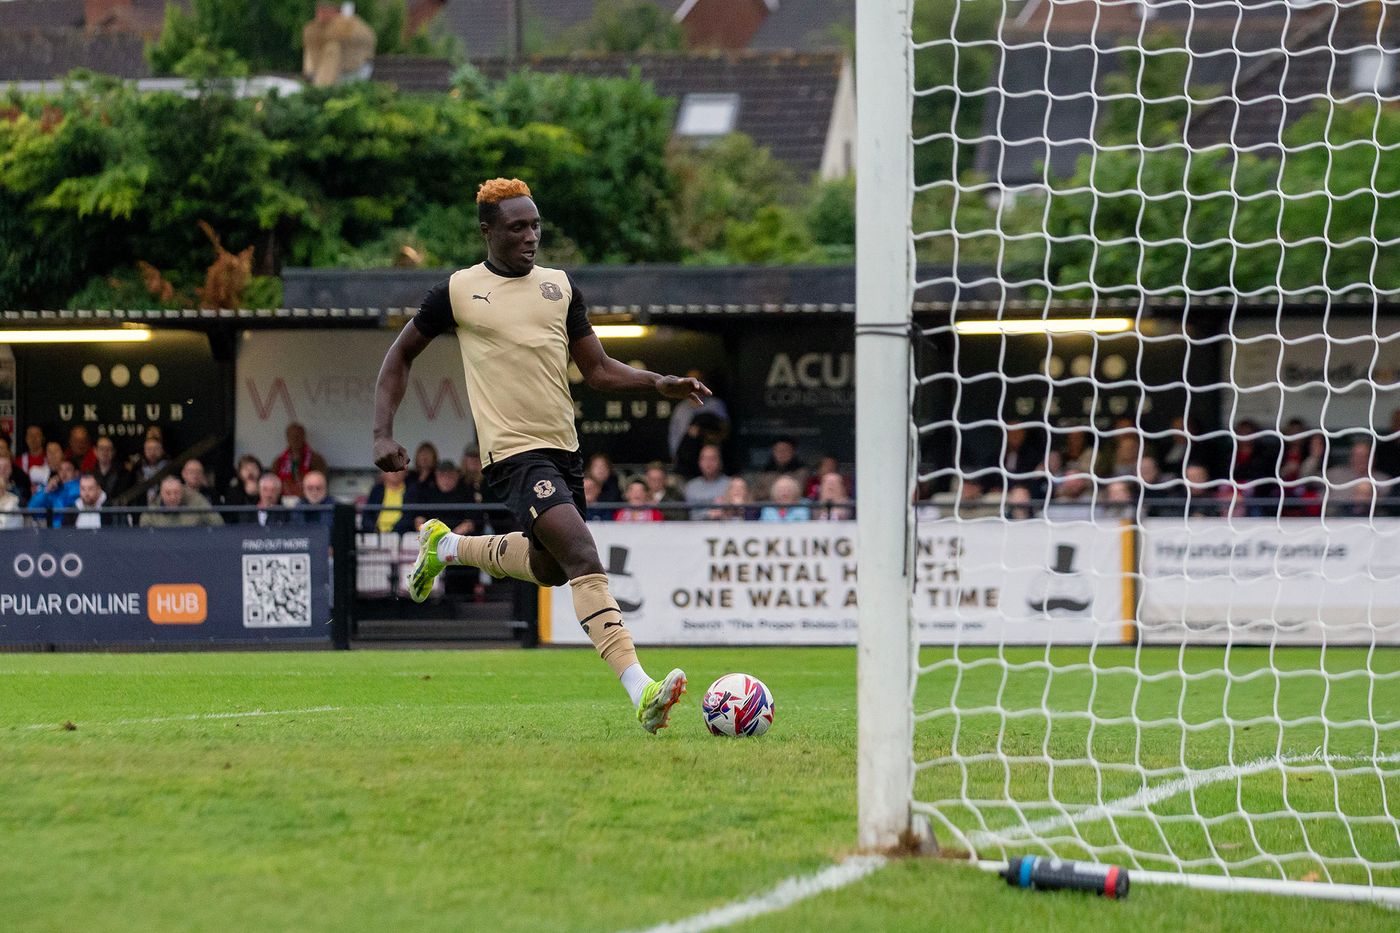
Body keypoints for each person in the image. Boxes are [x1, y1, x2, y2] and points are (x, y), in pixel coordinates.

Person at [372, 177, 702, 733]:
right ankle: (641, 689)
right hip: (512, 455)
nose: (531, 237)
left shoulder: (559, 287)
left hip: (565, 452)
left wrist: (658, 381)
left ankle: (447, 546)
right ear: (487, 231)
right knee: (582, 556)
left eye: (536, 226)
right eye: (517, 227)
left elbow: (596, 369)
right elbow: (398, 357)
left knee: (550, 569)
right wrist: (382, 432)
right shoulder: (458, 291)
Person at [405, 459, 475, 533]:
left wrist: (452, 536)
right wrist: (429, 534)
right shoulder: (427, 493)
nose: (446, 479)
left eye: (450, 475)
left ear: (457, 476)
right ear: (436, 476)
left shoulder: (465, 493)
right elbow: (419, 520)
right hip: (432, 538)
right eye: (442, 475)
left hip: (459, 538)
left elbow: (470, 522)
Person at [140, 475, 224, 528]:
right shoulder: (153, 509)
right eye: (168, 493)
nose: (173, 497)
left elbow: (218, 522)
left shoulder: (196, 500)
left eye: (176, 492)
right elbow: (144, 529)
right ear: (161, 494)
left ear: (182, 492)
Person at [273, 422, 329, 498]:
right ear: (287, 438)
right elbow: (273, 483)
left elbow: (321, 483)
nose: (295, 439)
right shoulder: (279, 461)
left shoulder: (316, 459)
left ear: (303, 437)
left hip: (309, 501)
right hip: (284, 502)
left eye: (298, 436)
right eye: (291, 436)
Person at [684, 444, 730, 519]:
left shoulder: (730, 484)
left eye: (712, 458)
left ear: (720, 462)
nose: (708, 462)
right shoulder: (691, 486)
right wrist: (707, 514)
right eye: (704, 458)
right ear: (699, 462)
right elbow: (688, 515)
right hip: (696, 529)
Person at [362, 468, 412, 533]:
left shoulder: (411, 491)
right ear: (383, 473)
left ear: (406, 472)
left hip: (402, 535)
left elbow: (409, 517)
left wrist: (393, 532)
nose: (395, 471)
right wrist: (374, 530)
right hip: (376, 535)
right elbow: (367, 516)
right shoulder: (376, 491)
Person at [91, 436, 131, 501]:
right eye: (101, 448)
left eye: (108, 449)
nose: (105, 452)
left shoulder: (123, 474)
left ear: (113, 452)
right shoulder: (89, 474)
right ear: (95, 451)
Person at [136, 434, 169, 504]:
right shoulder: (137, 468)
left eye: (156, 449)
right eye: (149, 449)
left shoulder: (169, 467)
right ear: (144, 451)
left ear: (162, 450)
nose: (152, 452)